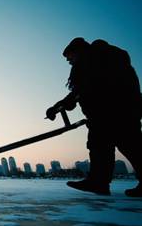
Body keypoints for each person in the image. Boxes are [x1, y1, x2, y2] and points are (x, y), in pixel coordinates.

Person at [46, 37, 142, 196]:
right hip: (112, 112)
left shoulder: (99, 59)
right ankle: (99, 182)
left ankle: (98, 182)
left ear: (78, 51)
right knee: (109, 146)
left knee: (124, 145)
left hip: (117, 110)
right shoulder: (92, 63)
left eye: (69, 56)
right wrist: (59, 106)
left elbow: (87, 88)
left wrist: (66, 103)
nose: (68, 60)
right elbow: (81, 90)